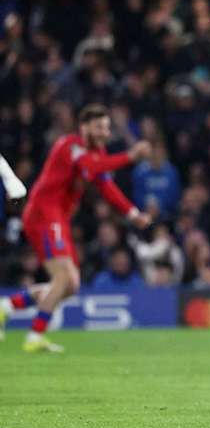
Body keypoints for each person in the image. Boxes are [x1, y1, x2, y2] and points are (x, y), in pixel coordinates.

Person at [0, 104, 152, 352]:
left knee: (70, 286)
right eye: (99, 127)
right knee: (62, 277)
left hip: (57, 218)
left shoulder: (96, 154)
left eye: (107, 127)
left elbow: (106, 187)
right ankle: (35, 337)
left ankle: (5, 307)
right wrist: (129, 157)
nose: (104, 132)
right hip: (43, 214)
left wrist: (132, 213)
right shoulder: (70, 145)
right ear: (84, 127)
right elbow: (91, 169)